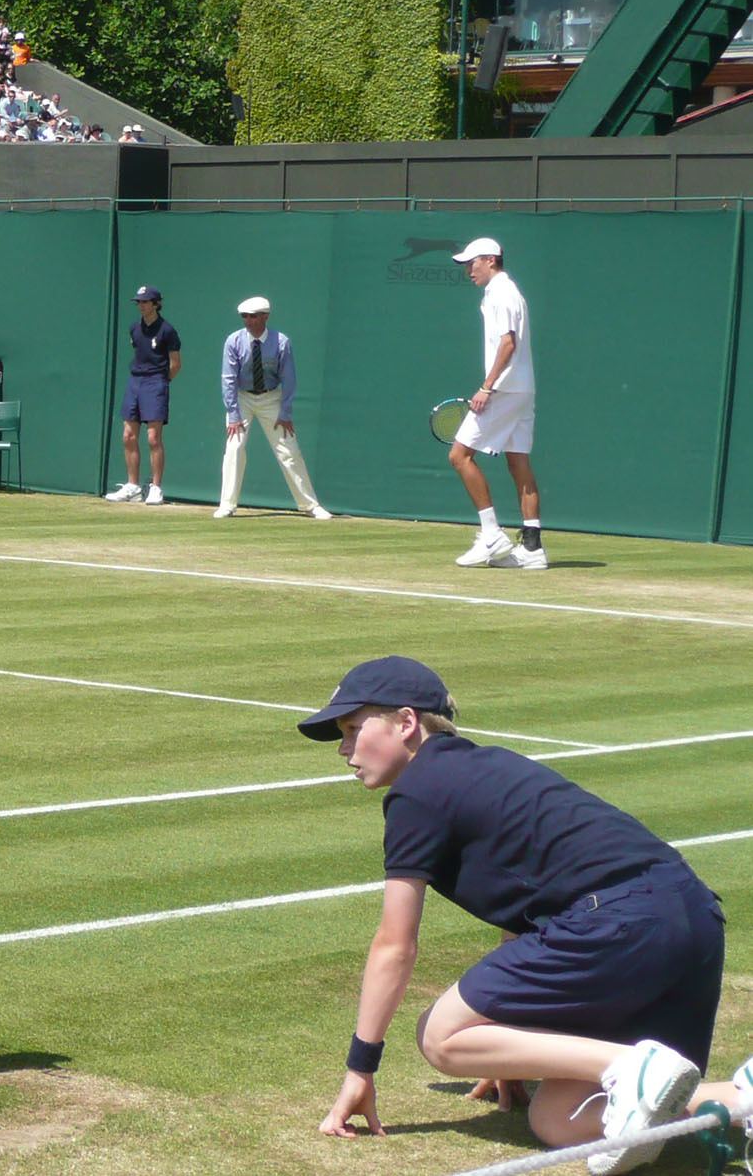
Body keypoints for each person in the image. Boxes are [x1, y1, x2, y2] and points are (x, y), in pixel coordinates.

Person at [303, 656, 747, 1170]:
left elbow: (395, 944)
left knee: (440, 1037)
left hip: (621, 922)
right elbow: (531, 903)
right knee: (558, 1120)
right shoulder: (488, 766)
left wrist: (362, 1067)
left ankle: (632, 1066)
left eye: (354, 729)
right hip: (692, 918)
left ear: (406, 724)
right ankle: (743, 1100)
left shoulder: (416, 793)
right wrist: (512, 1046)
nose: (343, 749)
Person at [447, 238, 545, 570]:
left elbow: (508, 344)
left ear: (490, 260)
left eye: (471, 263)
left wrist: (486, 387)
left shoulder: (502, 293)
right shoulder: (506, 292)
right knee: (519, 463)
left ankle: (492, 535)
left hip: (503, 390)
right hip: (523, 389)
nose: (467, 270)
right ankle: (532, 548)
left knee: (459, 455)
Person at [217, 296, 331, 520]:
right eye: (245, 317)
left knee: (288, 450)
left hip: (271, 398)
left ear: (265, 317)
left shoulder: (281, 342)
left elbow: (289, 379)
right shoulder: (233, 341)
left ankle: (309, 505)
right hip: (242, 398)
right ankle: (227, 505)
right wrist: (233, 414)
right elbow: (228, 378)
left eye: (253, 316)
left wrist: (285, 412)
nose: (248, 321)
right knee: (234, 448)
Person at [107, 285, 180, 506]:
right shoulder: (134, 329)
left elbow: (175, 364)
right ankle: (133, 487)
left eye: (145, 302)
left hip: (156, 382)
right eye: (139, 302)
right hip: (135, 382)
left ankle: (156, 488)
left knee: (153, 438)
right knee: (128, 435)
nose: (141, 305)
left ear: (156, 303)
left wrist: (160, 383)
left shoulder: (167, 330)